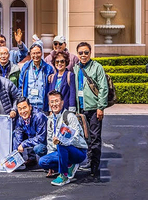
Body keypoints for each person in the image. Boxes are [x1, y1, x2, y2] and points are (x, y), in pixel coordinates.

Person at [74, 42, 108, 181]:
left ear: (90, 53)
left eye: (86, 52)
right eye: (81, 53)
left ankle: (95, 166)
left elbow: (103, 88)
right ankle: (88, 161)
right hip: (81, 109)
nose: (83, 55)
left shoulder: (97, 67)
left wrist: (101, 107)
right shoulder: (76, 68)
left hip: (94, 109)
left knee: (95, 138)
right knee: (84, 138)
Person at [39, 91, 88, 186]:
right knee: (43, 162)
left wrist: (63, 141)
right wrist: (50, 159)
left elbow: (76, 138)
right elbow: (50, 142)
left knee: (61, 144)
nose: (54, 104)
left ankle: (64, 175)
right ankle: (69, 165)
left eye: (56, 101)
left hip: (77, 151)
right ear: (49, 104)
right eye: (52, 102)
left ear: (62, 102)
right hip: (61, 150)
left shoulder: (69, 116)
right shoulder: (50, 120)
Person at [13, 98, 48, 169]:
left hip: (46, 143)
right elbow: (18, 136)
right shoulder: (20, 118)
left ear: (30, 107)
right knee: (14, 135)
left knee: (38, 148)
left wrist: (23, 144)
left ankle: (47, 162)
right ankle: (30, 159)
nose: (22, 111)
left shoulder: (39, 116)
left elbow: (41, 138)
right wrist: (16, 156)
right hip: (32, 140)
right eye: (20, 109)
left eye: (24, 108)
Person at [20, 43, 55, 112]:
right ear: (30, 54)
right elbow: (21, 86)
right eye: (33, 53)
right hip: (29, 105)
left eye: (38, 53)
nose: (36, 55)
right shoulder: (26, 67)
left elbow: (51, 89)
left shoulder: (48, 69)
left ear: (41, 53)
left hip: (43, 105)